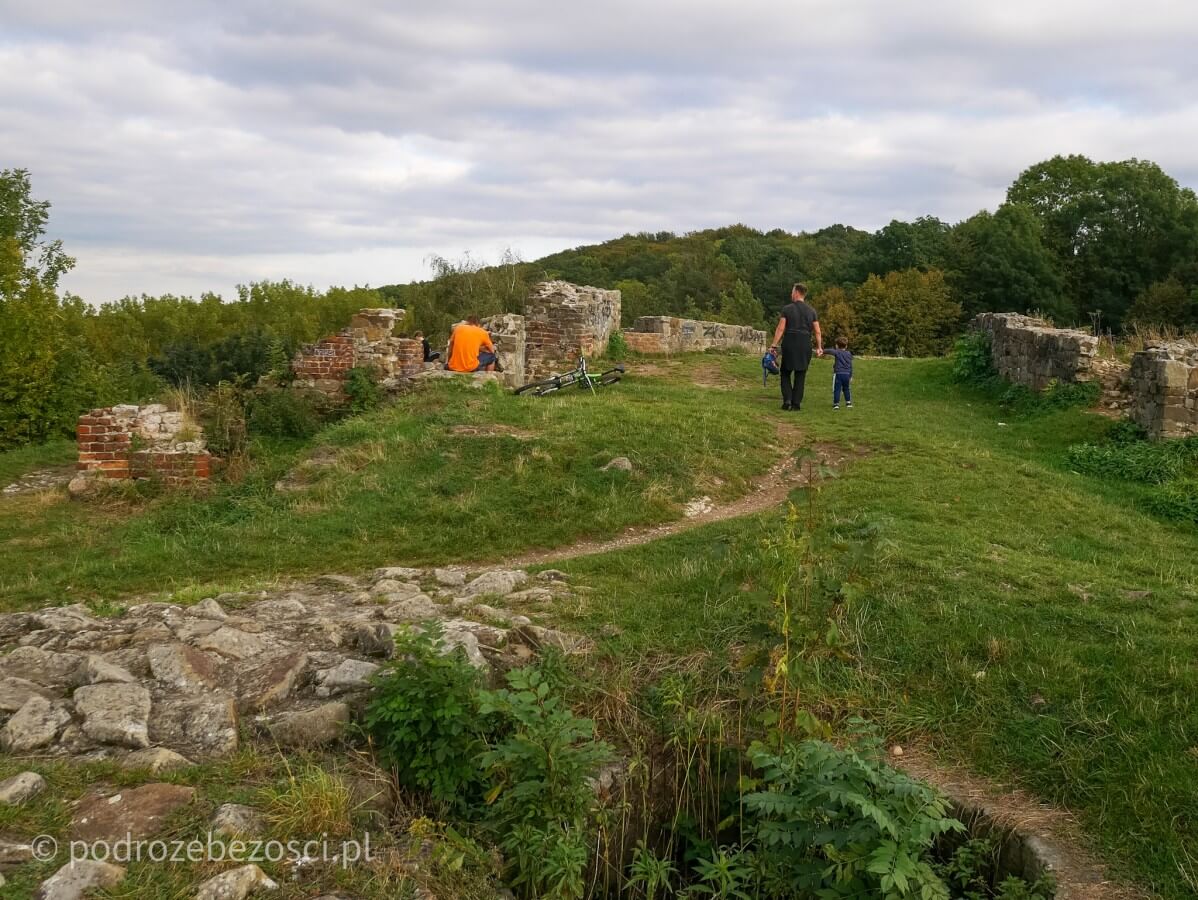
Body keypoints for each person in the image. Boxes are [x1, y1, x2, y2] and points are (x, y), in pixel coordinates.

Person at [769, 283, 822, 411]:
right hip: (805, 343)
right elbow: (817, 331)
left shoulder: (787, 309)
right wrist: (819, 346)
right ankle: (796, 403)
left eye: (792, 292)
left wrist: (773, 345)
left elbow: (781, 328)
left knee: (785, 372)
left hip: (790, 341)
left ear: (797, 292)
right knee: (801, 373)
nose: (791, 294)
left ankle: (787, 399)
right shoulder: (812, 311)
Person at [824, 336, 853, 409]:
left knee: (837, 389)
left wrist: (821, 350)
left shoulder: (837, 352)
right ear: (846, 346)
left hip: (838, 374)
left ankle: (836, 404)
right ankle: (848, 403)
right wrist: (850, 376)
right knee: (846, 388)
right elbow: (850, 365)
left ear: (837, 345)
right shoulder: (849, 353)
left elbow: (830, 351)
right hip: (847, 374)